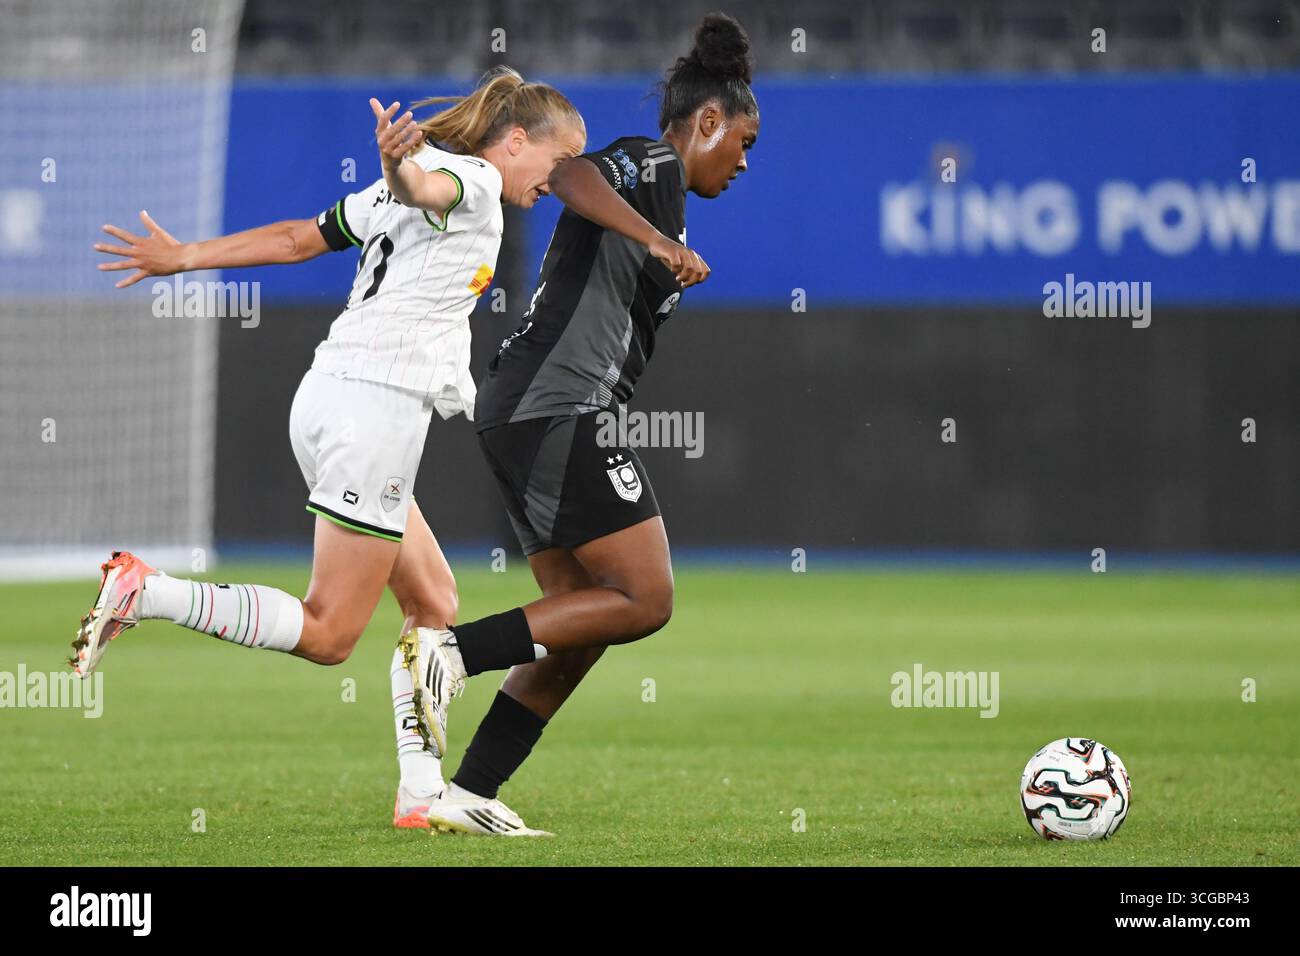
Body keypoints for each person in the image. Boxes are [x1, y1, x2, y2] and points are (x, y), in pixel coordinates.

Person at [400, 13, 759, 836]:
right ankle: (446, 654)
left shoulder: (669, 194)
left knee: (581, 624)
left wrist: (657, 244)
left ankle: (470, 790)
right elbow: (570, 180)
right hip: (556, 404)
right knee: (645, 596)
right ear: (707, 122)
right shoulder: (656, 162)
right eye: (742, 139)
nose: (744, 160)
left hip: (531, 406)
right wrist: (654, 242)